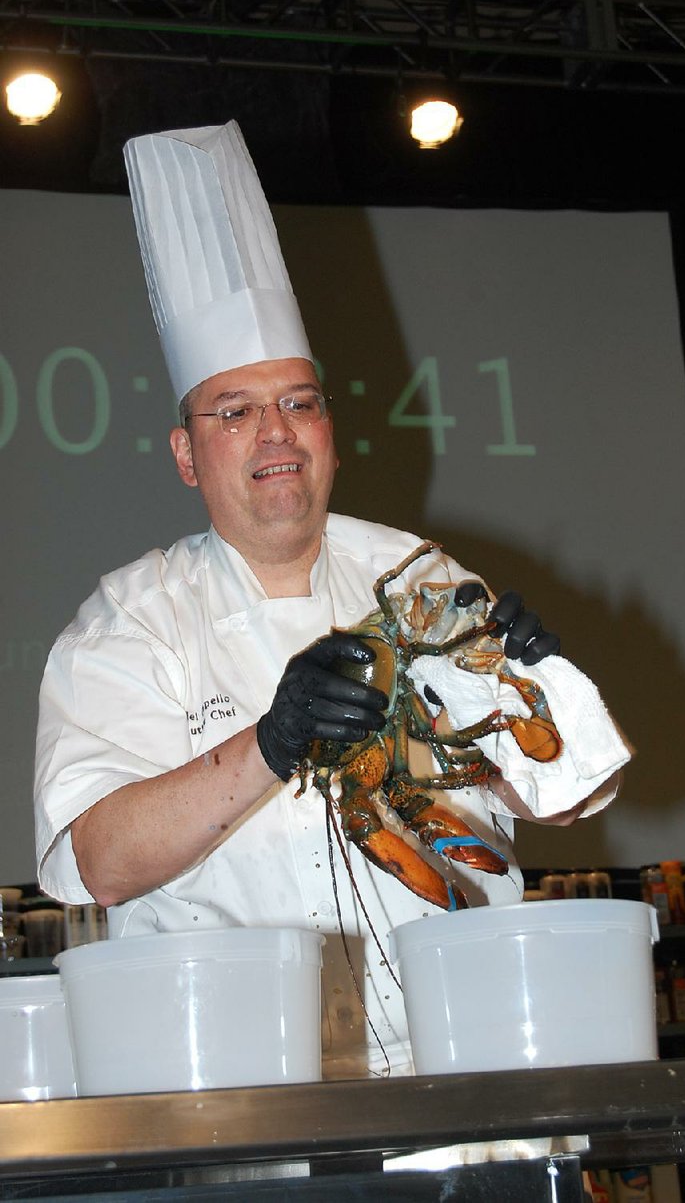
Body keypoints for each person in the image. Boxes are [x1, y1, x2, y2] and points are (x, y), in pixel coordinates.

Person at [34, 122, 627, 1080]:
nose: (276, 431)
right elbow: (99, 859)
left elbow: (566, 796)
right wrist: (271, 743)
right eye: (234, 411)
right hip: (240, 1089)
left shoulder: (421, 579)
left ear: (331, 429)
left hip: (460, 1060)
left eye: (300, 401)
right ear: (187, 454)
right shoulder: (130, 622)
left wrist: (543, 696)